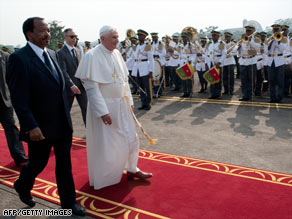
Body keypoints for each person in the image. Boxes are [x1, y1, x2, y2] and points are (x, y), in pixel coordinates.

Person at [6, 17, 86, 216]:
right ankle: (23, 184)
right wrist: (30, 125)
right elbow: (19, 98)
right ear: (29, 34)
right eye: (42, 31)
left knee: (64, 165)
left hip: (62, 123)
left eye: (48, 30)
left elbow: (60, 81)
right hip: (39, 127)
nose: (47, 34)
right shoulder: (19, 59)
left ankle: (68, 203)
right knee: (38, 163)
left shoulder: (52, 54)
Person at [75, 25, 152, 190]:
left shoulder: (117, 53)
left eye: (117, 37)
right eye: (114, 37)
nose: (117, 40)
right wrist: (103, 112)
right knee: (109, 144)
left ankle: (132, 168)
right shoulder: (92, 56)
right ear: (102, 38)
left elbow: (124, 81)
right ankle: (107, 177)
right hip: (106, 107)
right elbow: (92, 88)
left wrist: (130, 102)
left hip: (122, 105)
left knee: (131, 138)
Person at [0, 50, 28, 165]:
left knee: (11, 128)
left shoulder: (5, 56)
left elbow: (10, 78)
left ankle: (19, 155)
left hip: (4, 100)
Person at [57, 28, 88, 126]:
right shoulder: (61, 53)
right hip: (69, 87)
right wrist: (71, 85)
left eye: (75, 37)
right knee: (66, 111)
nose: (74, 39)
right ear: (65, 37)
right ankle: (63, 133)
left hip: (81, 86)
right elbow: (63, 71)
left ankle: (90, 132)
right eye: (71, 36)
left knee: (86, 109)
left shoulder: (78, 50)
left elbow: (81, 68)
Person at [127, 29, 154, 110]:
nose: (139, 37)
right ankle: (143, 103)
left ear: (145, 37)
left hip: (145, 68)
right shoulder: (136, 46)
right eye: (138, 36)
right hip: (137, 69)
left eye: (141, 36)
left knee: (147, 87)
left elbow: (151, 59)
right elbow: (132, 58)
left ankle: (148, 103)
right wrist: (123, 65)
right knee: (140, 87)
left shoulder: (147, 46)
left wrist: (151, 71)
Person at [237, 26, 260, 101]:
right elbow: (239, 53)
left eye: (249, 31)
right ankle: (244, 95)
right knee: (244, 80)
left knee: (251, 80)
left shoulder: (256, 40)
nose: (247, 33)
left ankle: (250, 96)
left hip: (251, 61)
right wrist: (239, 48)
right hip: (243, 61)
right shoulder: (242, 40)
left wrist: (250, 41)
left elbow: (258, 49)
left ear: (253, 32)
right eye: (247, 31)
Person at [267, 24, 288, 103]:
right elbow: (266, 51)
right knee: (271, 80)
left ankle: (279, 97)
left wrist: (278, 41)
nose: (275, 31)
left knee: (280, 81)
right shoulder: (269, 39)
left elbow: (283, 49)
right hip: (271, 61)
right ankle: (272, 97)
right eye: (274, 30)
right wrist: (271, 41)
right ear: (272, 31)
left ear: (279, 31)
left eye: (277, 30)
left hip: (279, 61)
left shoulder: (284, 39)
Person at [205, 30, 226, 99]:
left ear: (218, 36)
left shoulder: (221, 43)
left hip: (218, 63)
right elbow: (207, 54)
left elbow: (224, 54)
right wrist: (206, 63)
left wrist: (219, 62)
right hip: (211, 62)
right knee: (212, 79)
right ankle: (213, 93)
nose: (213, 37)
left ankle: (218, 93)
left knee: (218, 79)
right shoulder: (210, 44)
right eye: (212, 35)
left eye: (215, 35)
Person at [282, 25, 292, 98]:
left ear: (287, 31)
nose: (284, 31)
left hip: (288, 60)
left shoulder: (290, 40)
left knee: (287, 78)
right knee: (280, 77)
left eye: (285, 30)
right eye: (282, 29)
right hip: (280, 60)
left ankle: (286, 92)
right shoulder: (278, 39)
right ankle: (280, 92)